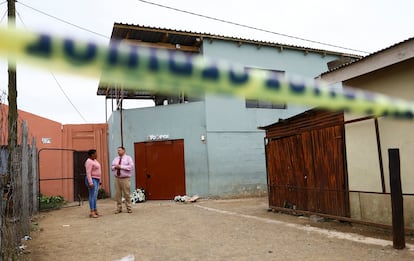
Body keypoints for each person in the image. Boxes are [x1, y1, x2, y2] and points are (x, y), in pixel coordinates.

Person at [111, 146, 134, 213]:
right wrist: (115, 167)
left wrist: (121, 167)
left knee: (126, 193)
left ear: (124, 151)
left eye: (120, 150)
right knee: (118, 194)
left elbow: (131, 167)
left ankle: (129, 208)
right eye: (118, 150)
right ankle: (119, 208)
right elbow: (112, 167)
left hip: (125, 178)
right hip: (117, 178)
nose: (118, 152)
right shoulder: (116, 159)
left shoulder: (128, 158)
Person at [84, 149, 101, 218]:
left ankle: (95, 210)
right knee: (92, 195)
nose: (97, 155)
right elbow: (88, 173)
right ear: (92, 155)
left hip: (96, 179)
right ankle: (92, 211)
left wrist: (99, 180)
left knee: (95, 196)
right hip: (92, 179)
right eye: (95, 154)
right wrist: (90, 182)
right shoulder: (89, 162)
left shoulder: (95, 160)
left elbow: (98, 170)